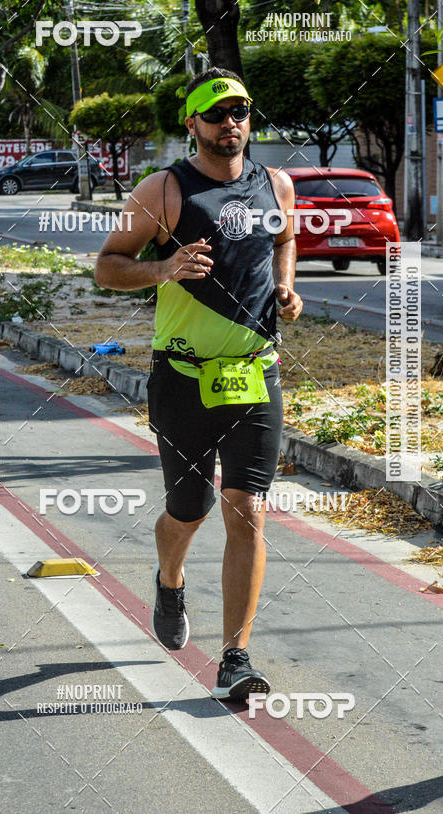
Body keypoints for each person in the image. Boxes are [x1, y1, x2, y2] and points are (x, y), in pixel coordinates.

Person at [95, 68, 303, 700]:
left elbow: (285, 238)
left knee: (249, 512)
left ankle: (235, 656)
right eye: (216, 114)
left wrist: (289, 288)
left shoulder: (278, 185)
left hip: (254, 374)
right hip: (183, 378)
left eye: (239, 110)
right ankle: (169, 579)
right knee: (190, 510)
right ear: (193, 124)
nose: (230, 123)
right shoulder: (163, 191)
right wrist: (164, 267)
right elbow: (107, 267)